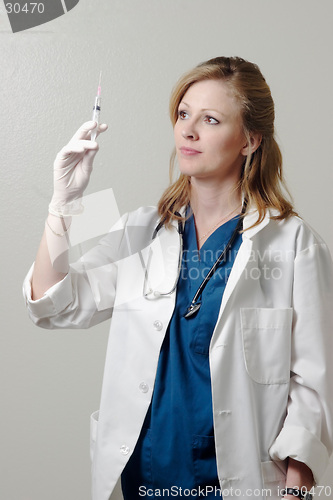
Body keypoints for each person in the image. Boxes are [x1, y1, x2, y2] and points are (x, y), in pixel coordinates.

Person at [23, 57, 333, 500]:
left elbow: (314, 384)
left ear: (250, 140)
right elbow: (52, 304)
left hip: (236, 484)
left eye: (210, 119)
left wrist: (297, 490)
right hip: (142, 479)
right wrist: (64, 204)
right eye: (184, 114)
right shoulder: (136, 226)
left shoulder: (294, 241)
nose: (188, 130)